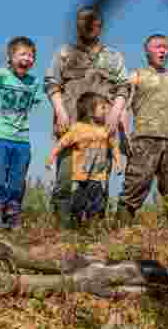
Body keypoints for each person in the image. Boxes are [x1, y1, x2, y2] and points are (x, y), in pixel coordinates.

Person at [44, 7, 129, 226]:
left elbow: (124, 87)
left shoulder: (114, 57)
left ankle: (94, 230)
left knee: (98, 185)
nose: (89, 25)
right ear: (77, 25)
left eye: (94, 21)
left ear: (100, 25)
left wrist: (116, 112)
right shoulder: (64, 53)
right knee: (65, 181)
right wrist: (60, 112)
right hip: (71, 129)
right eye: (84, 20)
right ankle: (63, 229)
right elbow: (52, 83)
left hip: (102, 134)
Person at [117, 34, 168, 219]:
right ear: (147, 51)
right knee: (135, 187)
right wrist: (123, 136)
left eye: (166, 47)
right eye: (158, 47)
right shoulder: (136, 76)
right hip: (143, 140)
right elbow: (124, 107)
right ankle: (119, 231)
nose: (163, 50)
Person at [0, 36, 44, 230]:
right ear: (10, 57)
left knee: (17, 179)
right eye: (22, 54)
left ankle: (13, 215)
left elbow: (34, 104)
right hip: (0, 135)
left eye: (31, 56)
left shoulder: (34, 82)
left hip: (22, 138)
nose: (27, 59)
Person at [45, 92, 123, 228]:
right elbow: (62, 143)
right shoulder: (78, 128)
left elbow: (114, 146)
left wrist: (118, 163)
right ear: (90, 111)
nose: (107, 111)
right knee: (78, 202)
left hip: (98, 177)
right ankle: (75, 226)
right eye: (103, 108)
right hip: (80, 176)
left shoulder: (105, 130)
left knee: (97, 202)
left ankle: (94, 227)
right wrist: (51, 158)